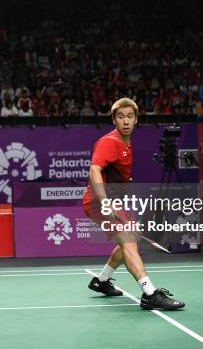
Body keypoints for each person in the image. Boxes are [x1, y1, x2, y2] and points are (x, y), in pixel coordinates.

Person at [83, 98, 185, 310]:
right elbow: (94, 170)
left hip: (114, 201)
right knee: (129, 243)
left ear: (136, 119)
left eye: (130, 116)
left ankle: (101, 281)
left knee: (129, 244)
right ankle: (150, 294)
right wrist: (105, 202)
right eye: (121, 117)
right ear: (114, 119)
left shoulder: (126, 143)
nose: (126, 121)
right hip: (99, 201)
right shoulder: (109, 142)